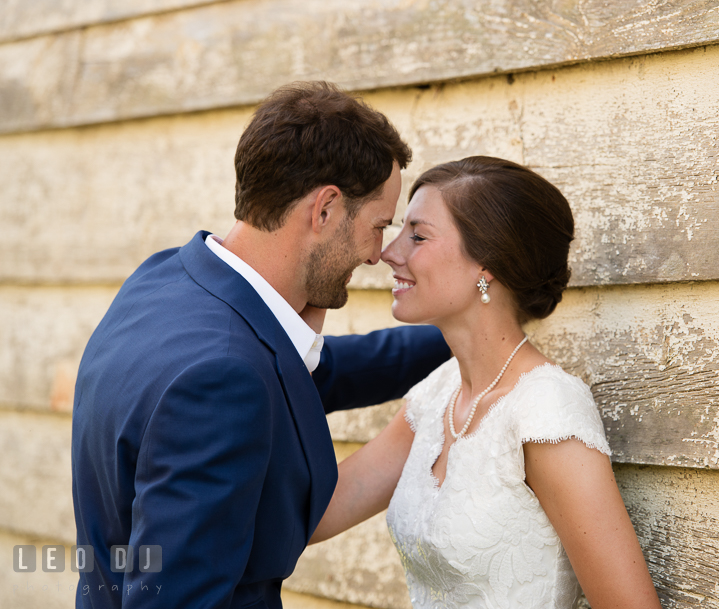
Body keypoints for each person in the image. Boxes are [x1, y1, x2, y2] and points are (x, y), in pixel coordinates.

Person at [71, 81, 450, 609]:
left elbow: (309, 374)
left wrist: (459, 330)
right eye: (378, 225)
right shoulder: (223, 378)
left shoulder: (163, 283)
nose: (376, 255)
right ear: (325, 210)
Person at [311, 156, 662, 608]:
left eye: (417, 236)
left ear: (487, 264)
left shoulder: (546, 410)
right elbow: (314, 516)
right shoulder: (435, 396)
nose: (388, 252)